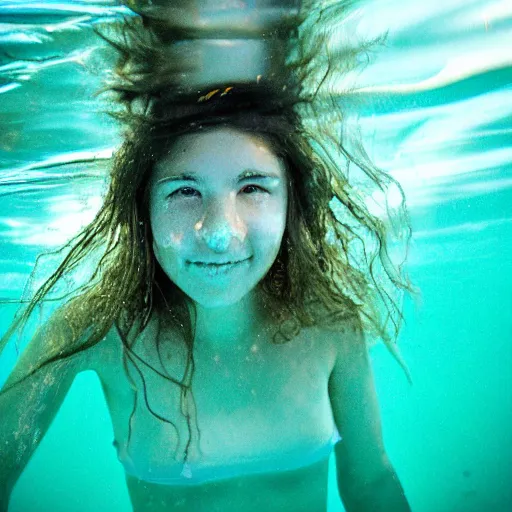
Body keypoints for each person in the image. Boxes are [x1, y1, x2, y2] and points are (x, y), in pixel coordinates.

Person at [0, 9, 418, 512]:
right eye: (183, 190)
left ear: (294, 201)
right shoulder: (99, 329)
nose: (219, 233)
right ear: (143, 207)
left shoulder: (330, 322)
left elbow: (370, 483)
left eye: (253, 187)